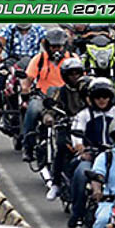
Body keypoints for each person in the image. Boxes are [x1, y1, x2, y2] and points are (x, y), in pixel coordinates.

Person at [67, 77, 115, 228]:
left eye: (105, 96)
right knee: (81, 174)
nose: (101, 100)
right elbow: (76, 133)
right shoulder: (83, 115)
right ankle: (77, 211)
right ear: (91, 98)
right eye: (97, 96)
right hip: (91, 157)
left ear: (111, 97)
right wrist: (80, 147)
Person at [0, 23, 47, 144]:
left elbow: (46, 45)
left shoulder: (39, 30)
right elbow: (0, 44)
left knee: (41, 91)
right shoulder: (8, 29)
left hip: (31, 64)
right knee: (0, 93)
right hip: (12, 62)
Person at [20, 28, 76, 163]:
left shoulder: (73, 59)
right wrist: (25, 91)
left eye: (59, 46)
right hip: (43, 97)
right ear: (47, 46)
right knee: (32, 111)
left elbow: (81, 79)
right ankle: (27, 146)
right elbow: (28, 79)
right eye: (53, 46)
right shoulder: (39, 59)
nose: (56, 50)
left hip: (65, 98)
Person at [45, 57, 87, 201]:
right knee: (62, 147)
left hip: (87, 128)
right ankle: (55, 184)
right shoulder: (61, 92)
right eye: (71, 74)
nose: (75, 77)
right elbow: (51, 109)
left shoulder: (89, 90)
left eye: (77, 73)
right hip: (68, 127)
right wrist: (50, 117)